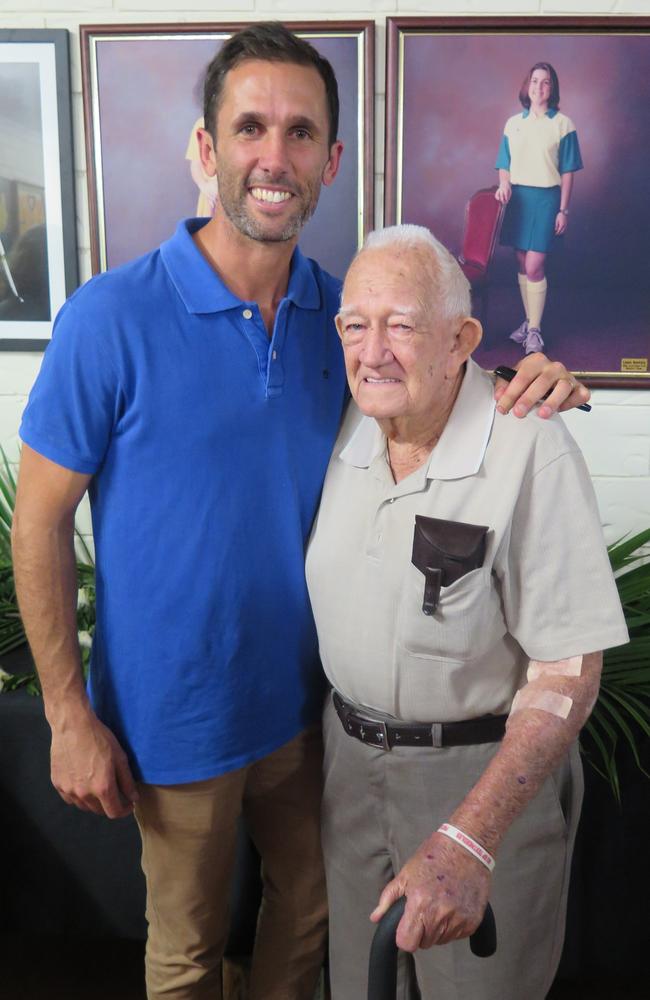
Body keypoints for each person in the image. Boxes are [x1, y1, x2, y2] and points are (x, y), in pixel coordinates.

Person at [11, 22, 591, 1000]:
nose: (271, 157)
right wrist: (67, 713)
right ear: (206, 150)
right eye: (247, 129)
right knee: (187, 947)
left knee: (312, 913)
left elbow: (432, 382)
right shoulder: (108, 318)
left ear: (329, 158)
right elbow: (36, 522)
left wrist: (522, 378)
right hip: (172, 714)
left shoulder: (343, 315)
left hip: (311, 711)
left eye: (297, 132)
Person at [305, 225, 627, 1000]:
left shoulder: (528, 446)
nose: (372, 349)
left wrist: (468, 838)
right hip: (347, 769)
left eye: (403, 325)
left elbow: (566, 670)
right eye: (356, 323)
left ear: (463, 340)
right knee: (361, 986)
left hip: (477, 782)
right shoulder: (343, 424)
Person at [495, 62, 583, 355]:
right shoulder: (512, 123)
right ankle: (528, 321)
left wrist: (563, 210)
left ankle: (534, 331)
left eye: (545, 83)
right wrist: (504, 184)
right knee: (521, 262)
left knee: (534, 265)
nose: (539, 87)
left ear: (552, 89)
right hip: (519, 199)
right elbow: (504, 164)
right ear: (527, 85)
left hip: (547, 200)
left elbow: (568, 170)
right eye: (535, 81)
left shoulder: (563, 124)